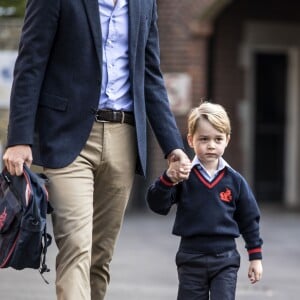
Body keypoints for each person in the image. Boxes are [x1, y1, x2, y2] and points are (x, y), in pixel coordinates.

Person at [2, 0, 191, 299]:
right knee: (77, 245)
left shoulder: (144, 3)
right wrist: (18, 138)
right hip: (67, 137)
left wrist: (172, 147)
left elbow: (150, 75)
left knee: (100, 256)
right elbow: (31, 63)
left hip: (124, 139)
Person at [147, 101, 263, 300]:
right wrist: (167, 179)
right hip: (191, 258)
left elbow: (249, 219)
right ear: (191, 140)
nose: (211, 145)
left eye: (218, 139)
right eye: (204, 139)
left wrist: (255, 257)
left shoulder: (235, 181)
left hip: (225, 260)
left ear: (227, 140)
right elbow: (158, 205)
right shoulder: (183, 177)